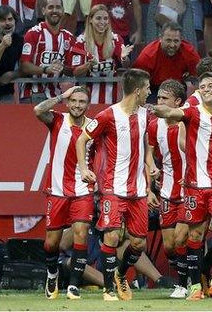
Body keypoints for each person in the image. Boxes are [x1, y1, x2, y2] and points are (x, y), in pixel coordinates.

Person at [152, 72, 212, 300]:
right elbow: (172, 112)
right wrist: (158, 110)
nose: (205, 89)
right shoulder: (192, 112)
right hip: (195, 186)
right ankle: (196, 285)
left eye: (210, 86)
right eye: (202, 86)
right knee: (195, 236)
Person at [76, 68, 152, 302]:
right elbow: (82, 139)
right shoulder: (108, 116)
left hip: (138, 190)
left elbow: (146, 146)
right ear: (137, 90)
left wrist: (151, 167)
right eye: (147, 88)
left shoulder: (145, 115)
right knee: (111, 238)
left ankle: (120, 275)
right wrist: (84, 168)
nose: (150, 92)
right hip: (112, 188)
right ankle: (108, 289)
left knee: (138, 243)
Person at [34, 86, 94, 300]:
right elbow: (38, 110)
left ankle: (73, 286)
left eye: (82, 102)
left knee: (81, 233)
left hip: (82, 189)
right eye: (74, 101)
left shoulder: (93, 127)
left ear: (88, 104)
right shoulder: (58, 120)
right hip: (57, 189)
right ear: (68, 103)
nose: (77, 105)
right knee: (52, 243)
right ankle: (52, 274)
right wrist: (61, 96)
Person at [146, 79, 190, 299]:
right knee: (170, 246)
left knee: (183, 238)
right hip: (166, 191)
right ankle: (191, 275)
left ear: (177, 102)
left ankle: (184, 284)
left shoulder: (189, 122)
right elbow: (148, 154)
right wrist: (149, 186)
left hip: (190, 190)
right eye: (159, 97)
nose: (159, 102)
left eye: (164, 98)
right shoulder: (154, 125)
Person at [70, 4, 133, 104]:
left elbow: (126, 65)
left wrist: (124, 58)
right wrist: (88, 65)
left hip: (111, 98)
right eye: (98, 18)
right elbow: (75, 72)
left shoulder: (115, 39)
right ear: (90, 20)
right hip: (86, 99)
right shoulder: (81, 41)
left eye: (105, 18)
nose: (102, 22)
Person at [20, 0, 75, 104]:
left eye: (58, 7)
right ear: (43, 10)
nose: (55, 11)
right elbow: (24, 66)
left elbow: (72, 69)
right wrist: (46, 69)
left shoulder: (69, 37)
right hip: (32, 94)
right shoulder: (33, 33)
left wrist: (63, 68)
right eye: (51, 7)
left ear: (63, 11)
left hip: (56, 95)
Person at [133, 21, 200, 102]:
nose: (172, 45)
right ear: (160, 38)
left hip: (179, 88)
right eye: (168, 40)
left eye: (176, 41)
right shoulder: (148, 55)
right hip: (154, 89)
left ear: (181, 40)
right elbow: (137, 83)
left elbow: (200, 77)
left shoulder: (189, 52)